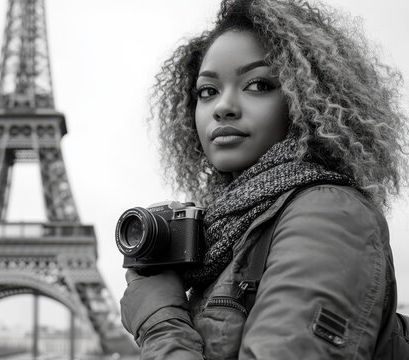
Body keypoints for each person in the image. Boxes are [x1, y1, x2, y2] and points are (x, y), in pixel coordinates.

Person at [119, 0, 409, 359]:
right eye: (207, 91)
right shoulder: (229, 231)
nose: (223, 106)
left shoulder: (328, 215)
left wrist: (160, 320)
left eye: (257, 85)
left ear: (304, 98)